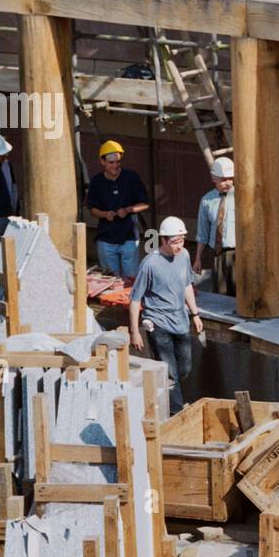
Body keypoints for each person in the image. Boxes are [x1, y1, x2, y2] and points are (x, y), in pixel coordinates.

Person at [129, 216, 204, 414]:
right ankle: (176, 413)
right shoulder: (150, 264)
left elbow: (187, 284)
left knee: (185, 367)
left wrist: (195, 314)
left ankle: (164, 394)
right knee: (170, 373)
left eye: (182, 240)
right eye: (174, 242)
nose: (179, 245)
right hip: (158, 324)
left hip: (180, 321)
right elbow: (136, 298)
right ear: (163, 240)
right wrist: (134, 331)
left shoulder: (185, 255)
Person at [85, 139, 150, 277]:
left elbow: (145, 203)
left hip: (129, 238)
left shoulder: (131, 177)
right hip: (105, 239)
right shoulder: (96, 181)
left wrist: (128, 210)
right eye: (111, 162)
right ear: (102, 162)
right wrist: (104, 214)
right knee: (110, 281)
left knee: (131, 280)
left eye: (118, 162)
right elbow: (92, 209)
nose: (115, 165)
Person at [193, 156, 237, 294]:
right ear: (214, 178)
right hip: (217, 253)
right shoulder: (207, 200)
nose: (228, 183)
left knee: (240, 291)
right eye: (224, 180)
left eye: (231, 178)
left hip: (238, 252)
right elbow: (202, 232)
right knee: (221, 292)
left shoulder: (241, 197)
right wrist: (198, 259)